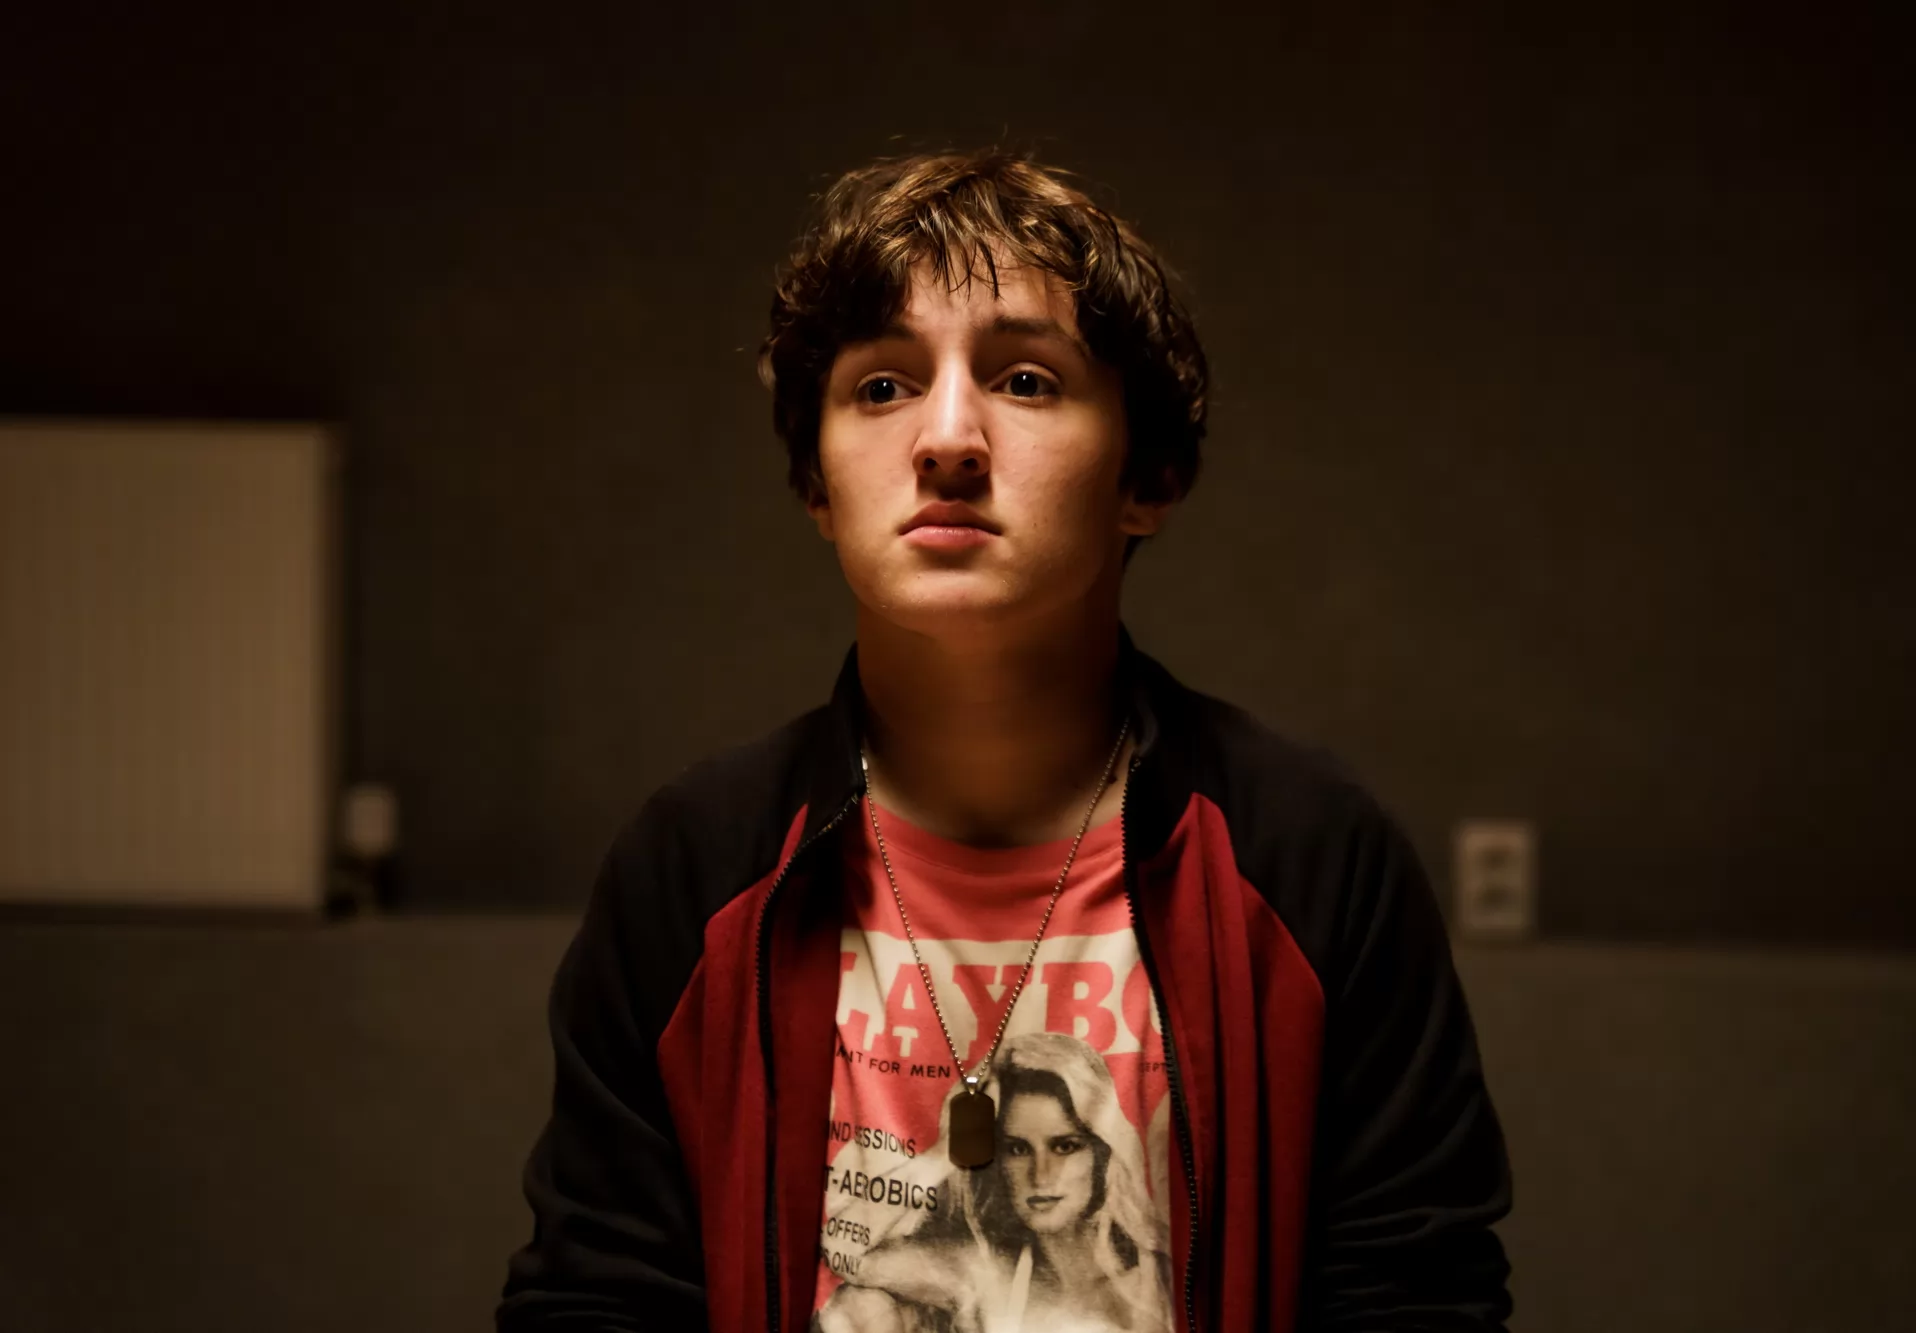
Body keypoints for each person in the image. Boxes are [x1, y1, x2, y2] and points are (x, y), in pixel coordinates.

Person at [498, 147, 1513, 1331]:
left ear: (1146, 478)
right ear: (817, 486)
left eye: (1025, 380)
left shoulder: (1310, 860)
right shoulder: (692, 869)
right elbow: (597, 1297)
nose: (946, 439)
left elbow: (1416, 1299)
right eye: (881, 386)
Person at [814, 1034, 1171, 1333]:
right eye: (1017, 1149)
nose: (1041, 1175)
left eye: (1064, 1146)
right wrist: (945, 1154)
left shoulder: (1153, 1281)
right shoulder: (985, 1274)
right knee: (857, 1305)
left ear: (1101, 1154)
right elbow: (844, 1252)